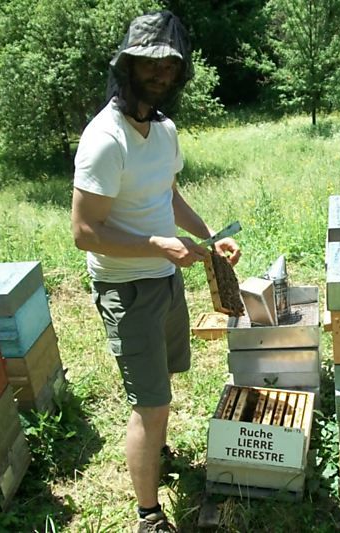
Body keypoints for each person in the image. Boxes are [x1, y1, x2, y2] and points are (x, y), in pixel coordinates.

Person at [70, 11, 240, 532]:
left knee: (160, 384)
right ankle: (148, 514)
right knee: (149, 405)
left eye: (170, 66)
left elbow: (168, 194)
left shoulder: (164, 130)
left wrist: (208, 238)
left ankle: (156, 453)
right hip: (126, 288)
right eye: (149, 64)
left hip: (165, 278)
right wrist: (156, 245)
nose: (160, 74)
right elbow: (84, 232)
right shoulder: (105, 139)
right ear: (126, 66)